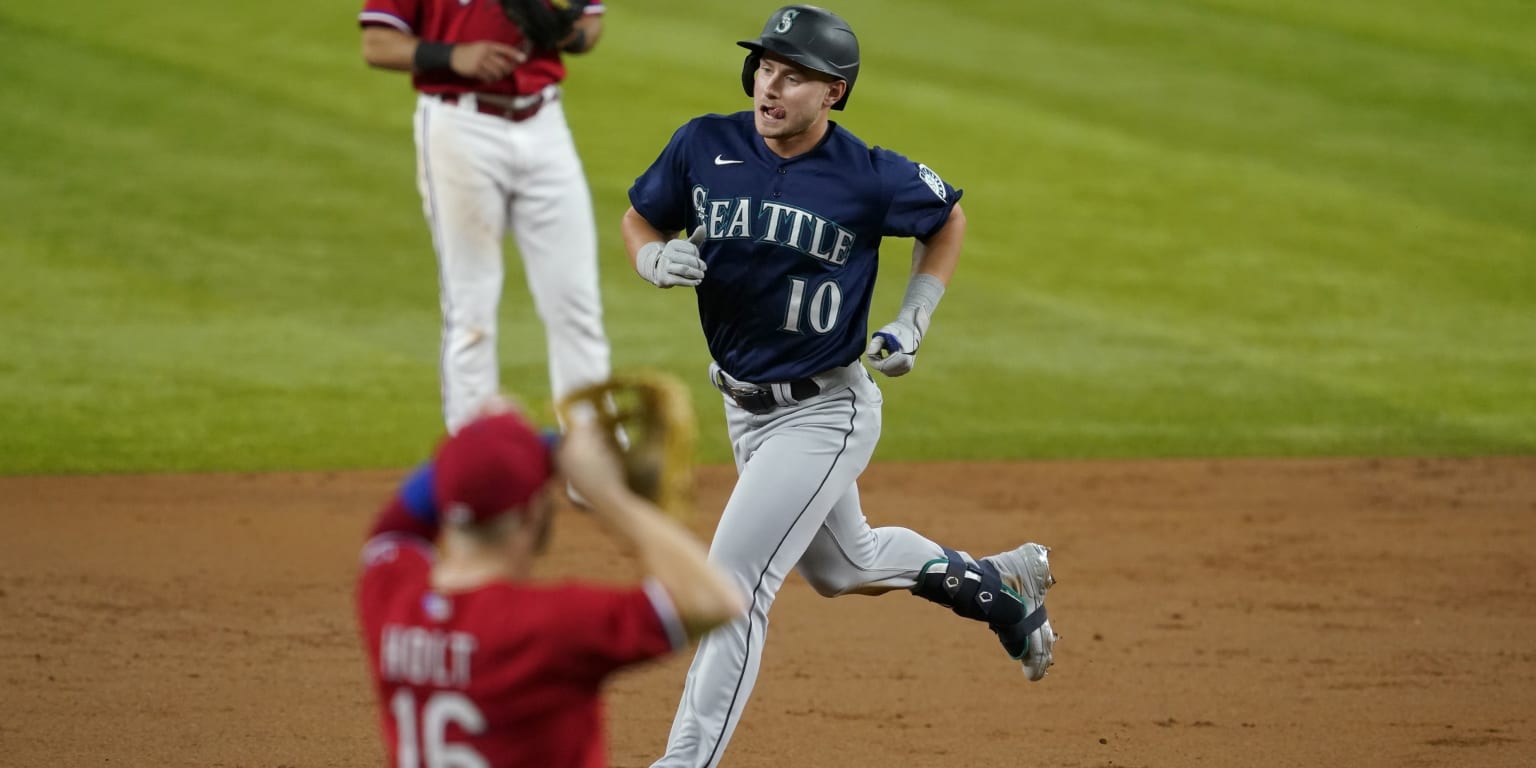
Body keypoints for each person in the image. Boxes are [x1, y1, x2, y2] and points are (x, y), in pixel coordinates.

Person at [619, 6, 1059, 766]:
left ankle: (685, 761)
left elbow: (945, 219)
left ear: (835, 93)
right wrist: (651, 259)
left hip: (825, 410)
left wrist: (914, 318)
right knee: (843, 565)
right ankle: (1000, 587)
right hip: (744, 407)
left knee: (732, 585)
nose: (770, 85)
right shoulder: (705, 144)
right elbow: (640, 217)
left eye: (793, 75)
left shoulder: (867, 174)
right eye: (763, 67)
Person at [355, 400, 746, 767]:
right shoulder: (550, 626)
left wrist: (484, 441)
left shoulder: (391, 596)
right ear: (531, 515)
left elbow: (393, 530)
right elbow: (713, 600)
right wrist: (608, 494)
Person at [358, 0, 615, 433]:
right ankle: (474, 459)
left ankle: (594, 457)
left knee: (576, 302)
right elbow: (377, 43)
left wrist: (563, 31)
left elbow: (590, 23)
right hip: (461, 126)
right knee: (471, 304)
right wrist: (451, 55)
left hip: (545, 123)